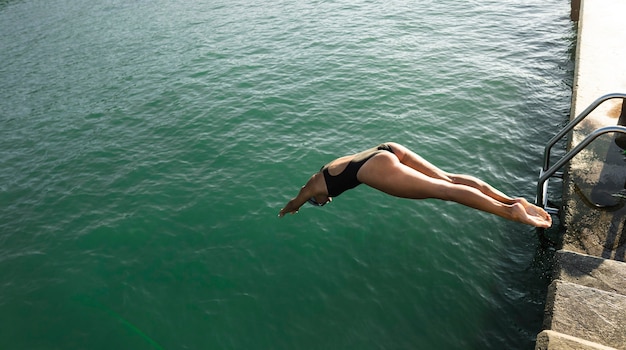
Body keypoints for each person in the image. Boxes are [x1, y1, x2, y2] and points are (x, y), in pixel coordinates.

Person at [278, 142, 552, 228]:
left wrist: (289, 209)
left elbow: (295, 201)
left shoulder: (312, 188)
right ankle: (509, 199)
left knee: (444, 191)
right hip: (385, 149)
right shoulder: (326, 168)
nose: (325, 201)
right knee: (449, 178)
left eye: (320, 202)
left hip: (373, 168)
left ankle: (510, 212)